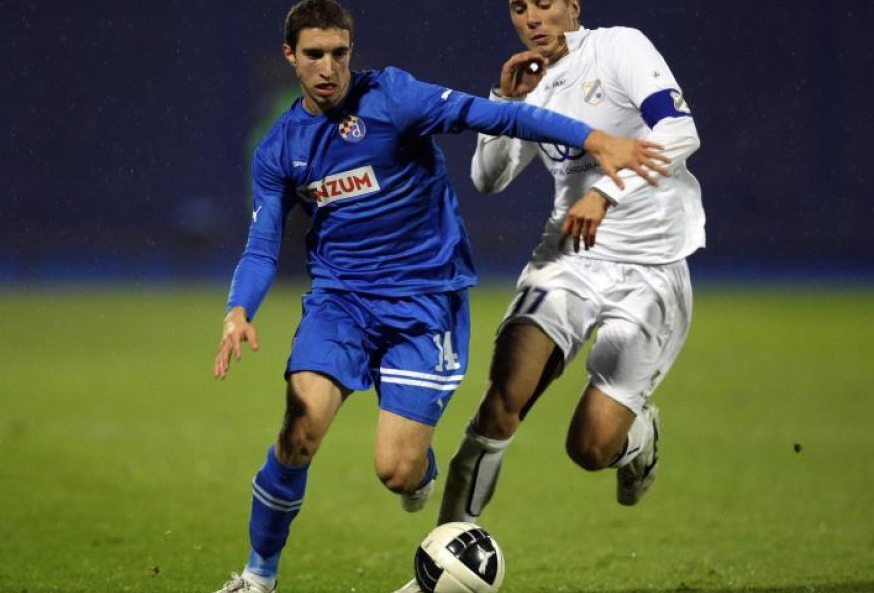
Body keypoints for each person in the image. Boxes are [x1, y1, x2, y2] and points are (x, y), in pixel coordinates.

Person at [212, 1, 668, 591]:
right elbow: (262, 244)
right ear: (290, 57)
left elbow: (495, 116)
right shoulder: (280, 147)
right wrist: (239, 309)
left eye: (339, 53)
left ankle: (418, 471)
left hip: (426, 303)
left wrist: (594, 139)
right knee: (299, 429)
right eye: (314, 55)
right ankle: (257, 577)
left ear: (351, 50)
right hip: (340, 303)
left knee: (397, 473)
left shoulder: (393, 98)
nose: (328, 67)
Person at [394, 0, 705, 590]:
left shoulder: (619, 47)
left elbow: (680, 131)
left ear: (573, 6)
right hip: (568, 259)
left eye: (545, 3)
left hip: (651, 267)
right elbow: (488, 179)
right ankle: (439, 568)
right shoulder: (534, 82)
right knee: (500, 401)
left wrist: (606, 194)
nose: (533, 17)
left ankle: (638, 436)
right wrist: (505, 103)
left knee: (590, 447)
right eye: (520, 7)